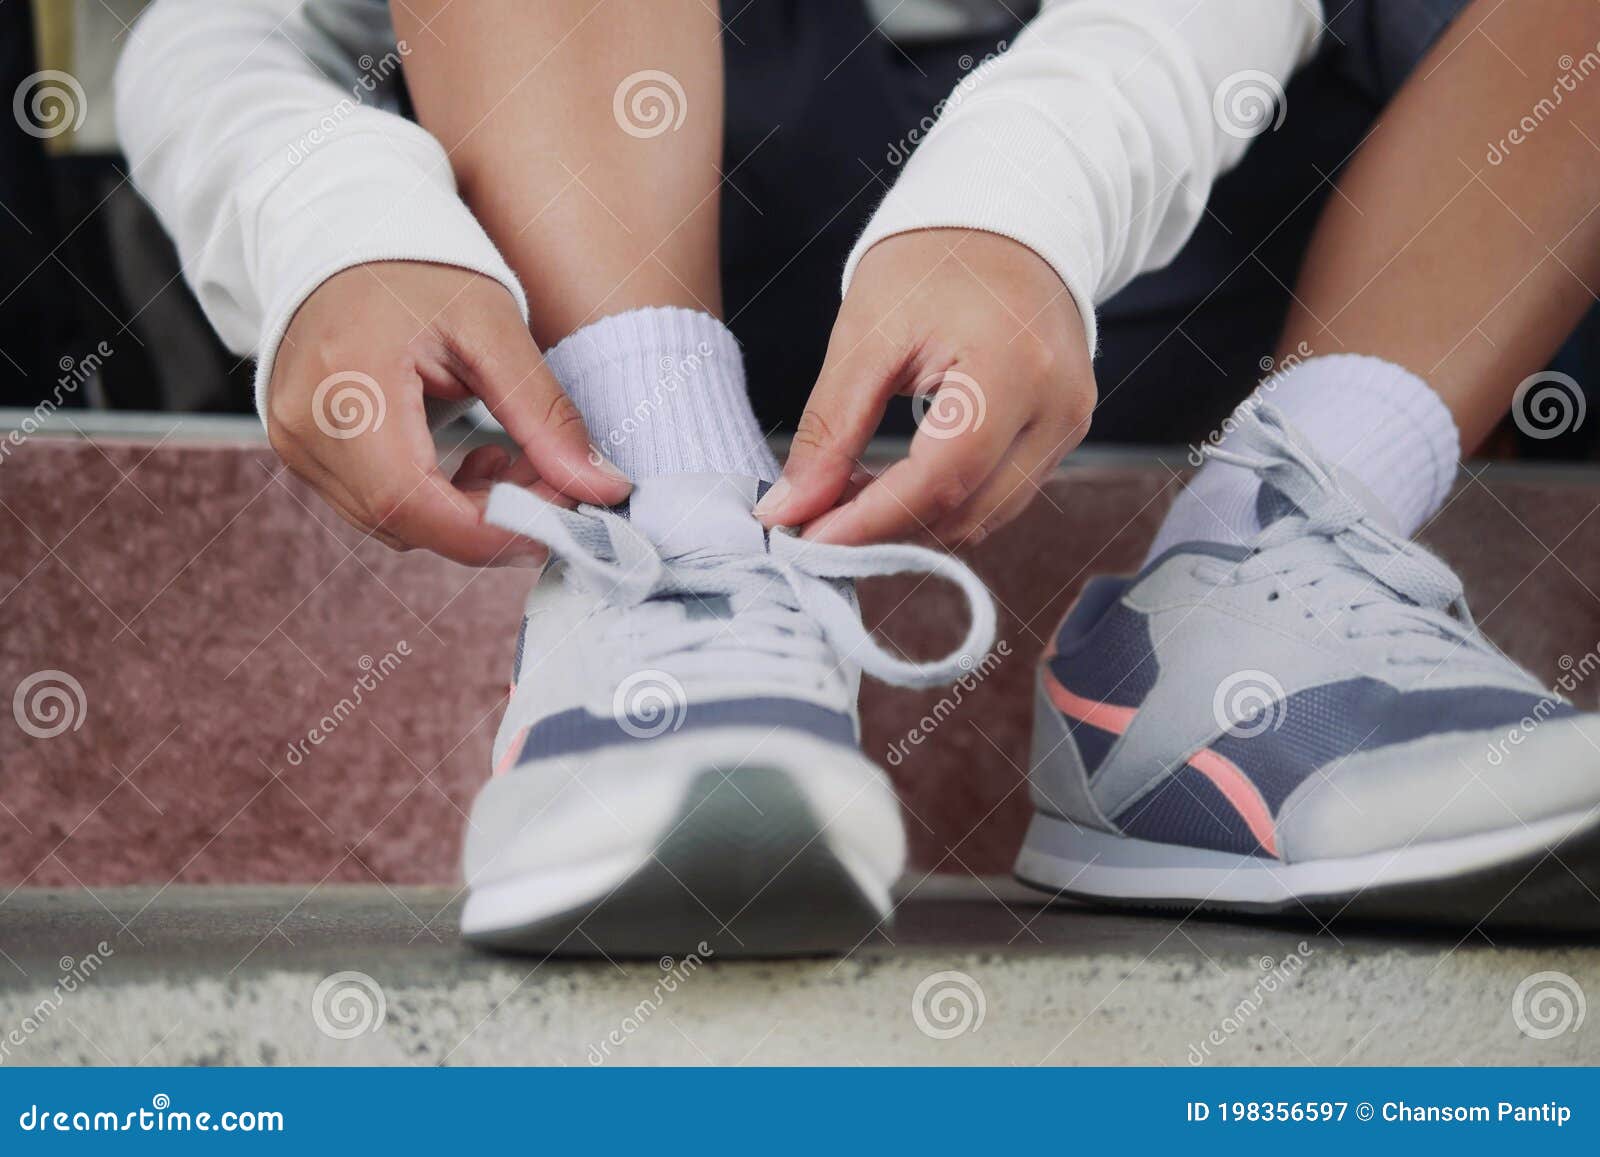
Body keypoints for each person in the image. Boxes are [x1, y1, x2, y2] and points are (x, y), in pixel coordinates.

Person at [116, 0, 1600, 951]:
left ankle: (1271, 557)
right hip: (579, 269)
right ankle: (678, 532)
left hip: (1141, 276)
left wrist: (1012, 217)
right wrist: (337, 237)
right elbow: (223, 33)